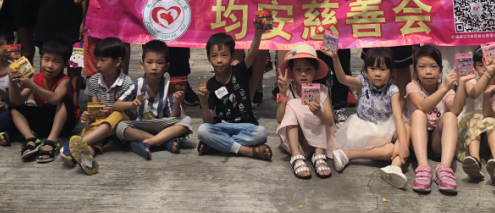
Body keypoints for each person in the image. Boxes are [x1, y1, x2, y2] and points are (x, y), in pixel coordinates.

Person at [290, 0, 357, 124]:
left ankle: (338, 107)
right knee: (315, 67)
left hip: (340, 32)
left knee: (340, 68)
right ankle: (312, 106)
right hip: (315, 31)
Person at [328, 48, 410, 189]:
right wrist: (335, 58)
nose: (377, 73)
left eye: (383, 69)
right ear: (366, 69)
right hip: (364, 128)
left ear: (391, 72)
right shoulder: (363, 82)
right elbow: (342, 79)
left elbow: (398, 116)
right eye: (373, 68)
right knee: (390, 150)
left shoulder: (393, 90)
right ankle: (347, 155)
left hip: (386, 125)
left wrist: (403, 144)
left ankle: (395, 166)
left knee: (407, 128)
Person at [61, 37, 134, 175]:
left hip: (122, 120)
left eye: (103, 60)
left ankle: (76, 145)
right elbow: (94, 106)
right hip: (101, 121)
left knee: (116, 115)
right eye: (97, 60)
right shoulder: (94, 80)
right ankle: (87, 157)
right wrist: (89, 114)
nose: (98, 64)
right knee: (92, 131)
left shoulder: (126, 82)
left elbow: (126, 107)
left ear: (118, 62)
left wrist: (112, 109)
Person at [195, 29, 272, 160]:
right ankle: (246, 151)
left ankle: (218, 145)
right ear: (208, 58)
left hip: (246, 125)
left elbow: (252, 53)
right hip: (223, 126)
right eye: (214, 56)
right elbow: (207, 121)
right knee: (202, 130)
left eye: (224, 55)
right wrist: (203, 101)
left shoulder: (239, 71)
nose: (219, 60)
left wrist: (258, 34)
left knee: (262, 133)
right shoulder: (210, 85)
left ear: (232, 56)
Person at [115, 41, 194, 160]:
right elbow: (116, 105)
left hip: (162, 124)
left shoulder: (169, 86)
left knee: (187, 121)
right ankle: (164, 141)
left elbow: (174, 116)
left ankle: (148, 142)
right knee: (120, 127)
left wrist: (177, 103)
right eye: (149, 62)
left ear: (166, 66)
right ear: (142, 64)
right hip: (141, 125)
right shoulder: (137, 84)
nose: (154, 67)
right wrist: (132, 104)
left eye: (159, 63)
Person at [406, 45, 465, 195]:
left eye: (433, 66)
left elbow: (456, 110)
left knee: (450, 116)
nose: (428, 71)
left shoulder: (446, 89)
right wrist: (445, 88)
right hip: (417, 140)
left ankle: (444, 169)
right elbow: (422, 106)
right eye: (422, 67)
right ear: (415, 70)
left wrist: (462, 84)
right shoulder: (412, 86)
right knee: (419, 114)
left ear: (441, 69)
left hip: (437, 142)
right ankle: (423, 168)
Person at [9, 38, 79, 163]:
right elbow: (18, 101)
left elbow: (54, 99)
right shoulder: (36, 78)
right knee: (14, 107)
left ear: (64, 65)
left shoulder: (64, 81)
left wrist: (31, 85)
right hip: (43, 122)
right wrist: (12, 82)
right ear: (41, 58)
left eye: (56, 61)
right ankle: (30, 139)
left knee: (63, 98)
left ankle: (52, 141)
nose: (50, 65)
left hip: (65, 124)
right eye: (47, 59)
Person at [276, 44, 336, 180]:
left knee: (319, 107)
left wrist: (319, 113)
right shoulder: (289, 89)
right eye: (298, 69)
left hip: (316, 142)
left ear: (315, 71)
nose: (303, 74)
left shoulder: (321, 90)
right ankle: (296, 156)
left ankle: (319, 154)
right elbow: (280, 119)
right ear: (292, 71)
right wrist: (283, 95)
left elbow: (330, 122)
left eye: (308, 69)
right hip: (297, 140)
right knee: (293, 103)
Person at [457, 46, 495, 182]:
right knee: (475, 118)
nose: (486, 68)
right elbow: (474, 94)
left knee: (489, 120)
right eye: (481, 65)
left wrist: (487, 96)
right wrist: (487, 74)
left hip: (490, 135)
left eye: (490, 64)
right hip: (468, 134)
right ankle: (474, 160)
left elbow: (489, 114)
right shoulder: (470, 82)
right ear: (474, 68)